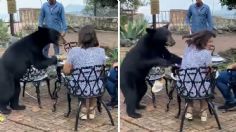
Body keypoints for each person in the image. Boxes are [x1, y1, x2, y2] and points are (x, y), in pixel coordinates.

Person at [63, 25, 106, 120]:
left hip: (78, 89)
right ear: (94, 37)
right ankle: (91, 107)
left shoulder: (73, 51)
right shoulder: (101, 51)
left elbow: (66, 71)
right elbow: (100, 68)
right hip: (97, 88)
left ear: (80, 37)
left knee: (76, 80)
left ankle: (83, 108)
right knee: (92, 80)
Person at [180, 30, 216, 121]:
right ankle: (203, 111)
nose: (212, 43)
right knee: (204, 81)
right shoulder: (206, 54)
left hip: (185, 89)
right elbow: (209, 69)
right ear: (203, 41)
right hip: (201, 89)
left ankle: (189, 110)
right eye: (210, 41)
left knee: (192, 81)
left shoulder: (188, 47)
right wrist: (208, 53)